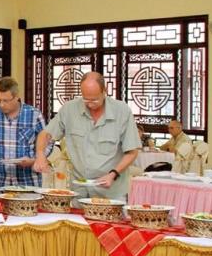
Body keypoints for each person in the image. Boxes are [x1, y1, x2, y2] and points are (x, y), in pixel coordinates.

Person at [33, 71, 140, 200]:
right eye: (85, 99)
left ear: (104, 91)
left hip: (111, 192)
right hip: (79, 190)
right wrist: (40, 154)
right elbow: (46, 134)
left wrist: (113, 174)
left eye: (94, 99)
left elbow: (132, 152)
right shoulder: (69, 109)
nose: (89, 103)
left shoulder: (122, 111)